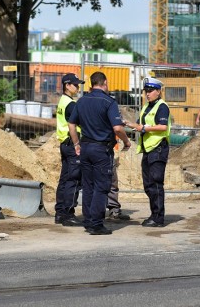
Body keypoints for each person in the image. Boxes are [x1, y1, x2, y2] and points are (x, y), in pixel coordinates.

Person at [68, 71, 131, 235]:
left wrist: (76, 144)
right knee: (102, 187)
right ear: (104, 83)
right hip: (101, 149)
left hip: (85, 148)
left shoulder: (81, 101)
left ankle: (88, 221)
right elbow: (117, 128)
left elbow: (71, 124)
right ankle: (96, 224)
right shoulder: (109, 102)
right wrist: (126, 141)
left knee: (88, 186)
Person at [125, 77, 171, 227]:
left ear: (158, 91)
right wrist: (130, 124)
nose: (148, 94)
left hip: (157, 148)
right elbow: (140, 124)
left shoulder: (162, 107)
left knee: (156, 183)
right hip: (148, 149)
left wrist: (144, 128)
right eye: (146, 91)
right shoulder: (147, 106)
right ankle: (154, 214)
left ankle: (158, 218)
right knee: (148, 184)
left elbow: (162, 127)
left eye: (151, 91)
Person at [54, 73, 85, 227]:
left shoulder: (62, 101)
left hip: (64, 143)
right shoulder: (71, 104)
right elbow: (78, 123)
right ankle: (68, 214)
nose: (77, 87)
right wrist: (77, 144)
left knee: (65, 179)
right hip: (72, 144)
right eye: (75, 84)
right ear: (67, 85)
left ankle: (60, 213)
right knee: (73, 179)